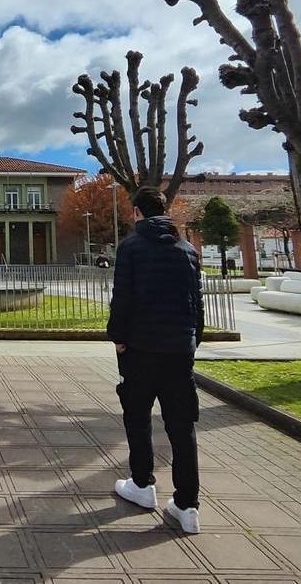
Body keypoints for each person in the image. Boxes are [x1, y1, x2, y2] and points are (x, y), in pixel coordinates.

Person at [107, 187, 204, 534]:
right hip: (180, 350)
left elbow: (122, 298)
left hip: (140, 348)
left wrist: (117, 338)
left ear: (136, 212)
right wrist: (194, 340)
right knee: (182, 425)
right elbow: (197, 302)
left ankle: (142, 484)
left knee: (137, 416)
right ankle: (187, 505)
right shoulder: (187, 250)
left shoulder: (131, 247)